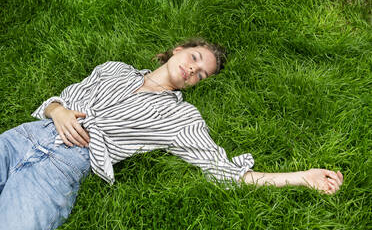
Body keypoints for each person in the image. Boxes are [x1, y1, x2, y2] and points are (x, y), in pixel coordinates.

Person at [0, 38, 343, 230]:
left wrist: (303, 177)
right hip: (25, 137)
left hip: (61, 171)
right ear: (178, 50)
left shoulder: (181, 117)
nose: (193, 69)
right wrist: (57, 110)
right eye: (195, 58)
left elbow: (226, 173)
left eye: (200, 74)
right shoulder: (114, 68)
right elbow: (60, 99)